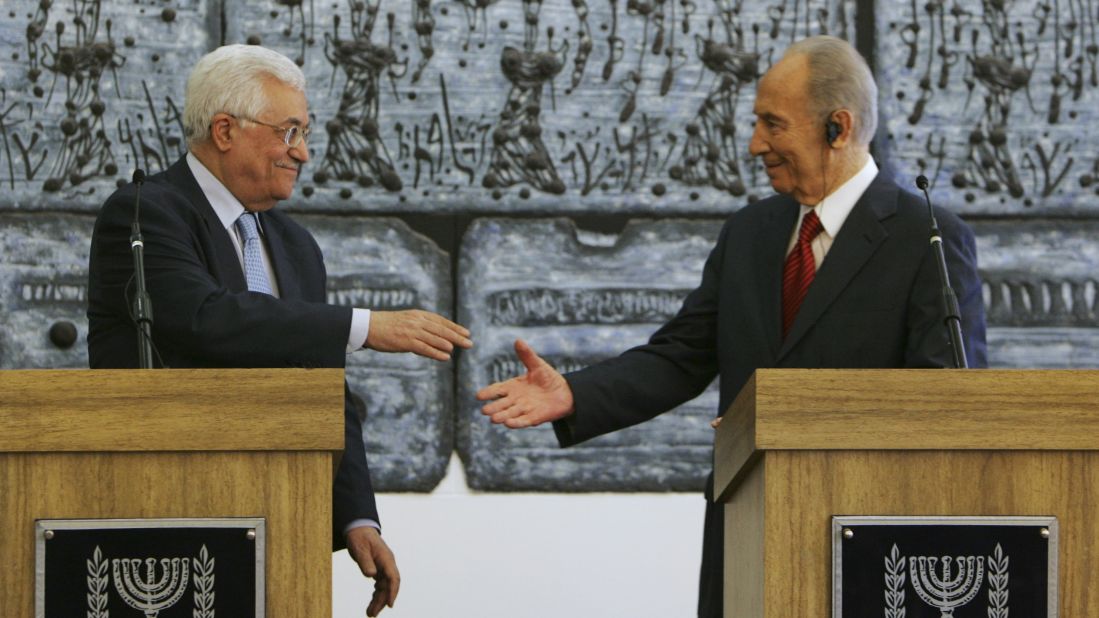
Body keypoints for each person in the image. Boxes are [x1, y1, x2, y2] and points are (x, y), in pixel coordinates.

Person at [477, 36, 987, 617]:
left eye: (773, 124)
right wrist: (575, 392)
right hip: (745, 528)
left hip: (871, 545)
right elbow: (682, 355)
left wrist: (797, 419)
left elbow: (945, 404)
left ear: (838, 128)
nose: (754, 144)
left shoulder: (928, 240)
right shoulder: (750, 232)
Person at [87, 44, 472, 617]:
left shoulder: (295, 246)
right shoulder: (145, 213)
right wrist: (365, 326)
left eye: (305, 133)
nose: (304, 152)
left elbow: (323, 393)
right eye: (289, 132)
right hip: (162, 510)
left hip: (279, 515)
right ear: (224, 130)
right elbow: (206, 318)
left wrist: (356, 517)